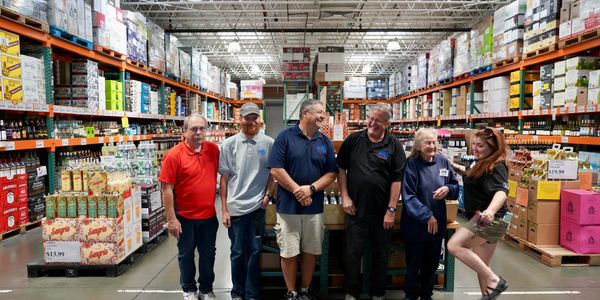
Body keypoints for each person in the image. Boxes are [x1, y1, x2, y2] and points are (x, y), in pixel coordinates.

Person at [268, 99, 338, 300]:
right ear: (305, 114)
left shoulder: (324, 141)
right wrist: (298, 190)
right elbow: (276, 169)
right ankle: (291, 292)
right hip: (288, 208)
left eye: (323, 113)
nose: (323, 116)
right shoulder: (285, 137)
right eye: (319, 112)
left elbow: (331, 173)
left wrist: (312, 188)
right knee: (289, 251)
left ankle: (305, 289)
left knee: (311, 251)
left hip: (314, 208)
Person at [337, 103, 406, 300]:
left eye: (379, 121)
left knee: (381, 255)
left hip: (382, 213)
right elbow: (341, 169)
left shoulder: (394, 145)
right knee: (352, 254)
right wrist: (345, 197)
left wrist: (391, 209)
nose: (373, 123)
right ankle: (351, 291)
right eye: (371, 119)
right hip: (355, 210)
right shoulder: (353, 139)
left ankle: (378, 293)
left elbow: (397, 179)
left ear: (387, 123)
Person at [159, 114, 219, 300]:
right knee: (186, 256)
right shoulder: (174, 155)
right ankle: (189, 290)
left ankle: (206, 289)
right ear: (185, 131)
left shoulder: (213, 149)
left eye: (202, 128)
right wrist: (171, 219)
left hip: (209, 216)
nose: (198, 132)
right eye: (194, 129)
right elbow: (167, 189)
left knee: (208, 255)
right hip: (184, 217)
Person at [219, 103, 275, 300]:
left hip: (257, 208)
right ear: (239, 120)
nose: (251, 122)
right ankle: (237, 293)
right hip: (235, 209)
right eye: (247, 118)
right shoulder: (229, 144)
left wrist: (268, 196)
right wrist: (224, 210)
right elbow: (224, 179)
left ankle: (251, 294)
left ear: (259, 119)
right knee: (236, 253)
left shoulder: (269, 143)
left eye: (254, 117)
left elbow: (272, 173)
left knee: (254, 252)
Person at [447, 127, 510, 300]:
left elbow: (501, 191)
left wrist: (490, 210)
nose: (475, 149)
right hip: (492, 220)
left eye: (480, 146)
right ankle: (488, 294)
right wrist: (451, 165)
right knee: (482, 266)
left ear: (492, 147)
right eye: (474, 144)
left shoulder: (497, 166)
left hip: (489, 219)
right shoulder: (481, 163)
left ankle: (496, 280)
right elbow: (470, 174)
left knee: (454, 245)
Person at [400, 128, 459, 300]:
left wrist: (448, 188)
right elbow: (408, 196)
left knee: (431, 263)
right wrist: (427, 216)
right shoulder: (411, 164)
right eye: (428, 142)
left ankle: (427, 294)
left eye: (434, 142)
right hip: (415, 225)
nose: (432, 146)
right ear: (418, 145)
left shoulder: (443, 161)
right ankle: (410, 295)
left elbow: (455, 187)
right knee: (413, 263)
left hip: (436, 224)